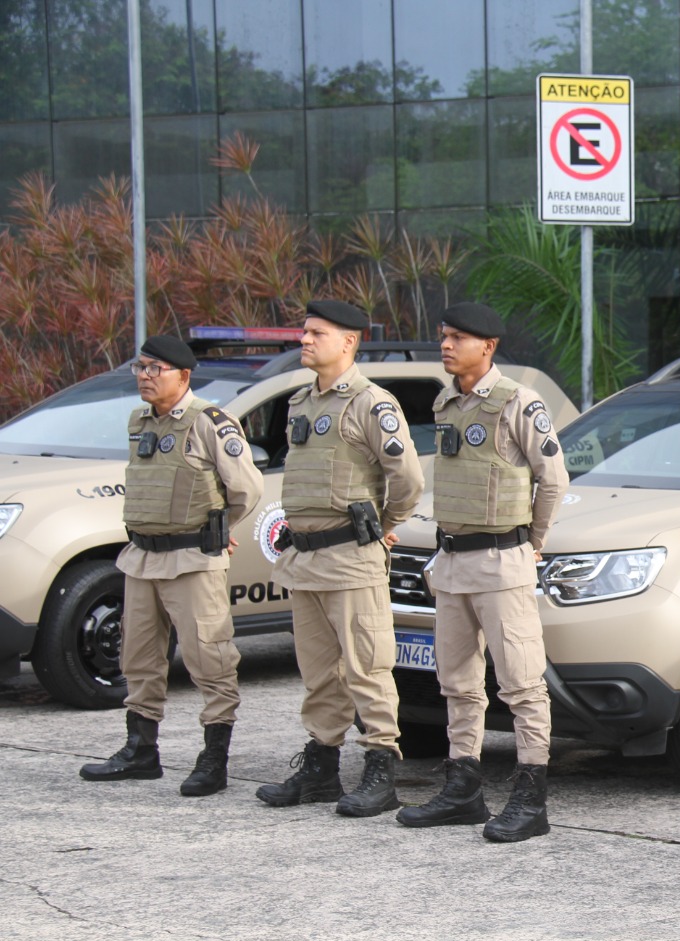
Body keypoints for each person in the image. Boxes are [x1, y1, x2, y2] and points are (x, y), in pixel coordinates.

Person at [395, 303, 569, 842]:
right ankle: (463, 789)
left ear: (488, 347)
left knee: (521, 684)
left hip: (501, 562)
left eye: (457, 338)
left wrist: (532, 543)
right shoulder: (446, 401)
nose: (445, 345)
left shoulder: (519, 402)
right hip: (452, 564)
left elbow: (553, 479)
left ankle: (531, 799)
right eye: (443, 336)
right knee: (458, 683)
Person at [256, 299, 425, 817]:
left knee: (366, 667)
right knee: (318, 673)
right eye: (304, 332)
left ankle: (380, 767)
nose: (304, 340)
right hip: (305, 560)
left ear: (348, 342)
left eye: (316, 333)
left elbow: (408, 480)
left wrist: (383, 525)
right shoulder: (301, 403)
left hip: (351, 558)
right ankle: (321, 768)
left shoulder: (371, 403)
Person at [80, 335, 264, 795]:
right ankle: (141, 750)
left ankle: (214, 758)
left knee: (209, 658)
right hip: (143, 558)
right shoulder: (139, 421)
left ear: (183, 375)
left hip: (191, 560)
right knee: (138, 658)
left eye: (154, 369)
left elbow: (247, 489)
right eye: (140, 367)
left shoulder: (209, 422)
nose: (144, 376)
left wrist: (219, 527)